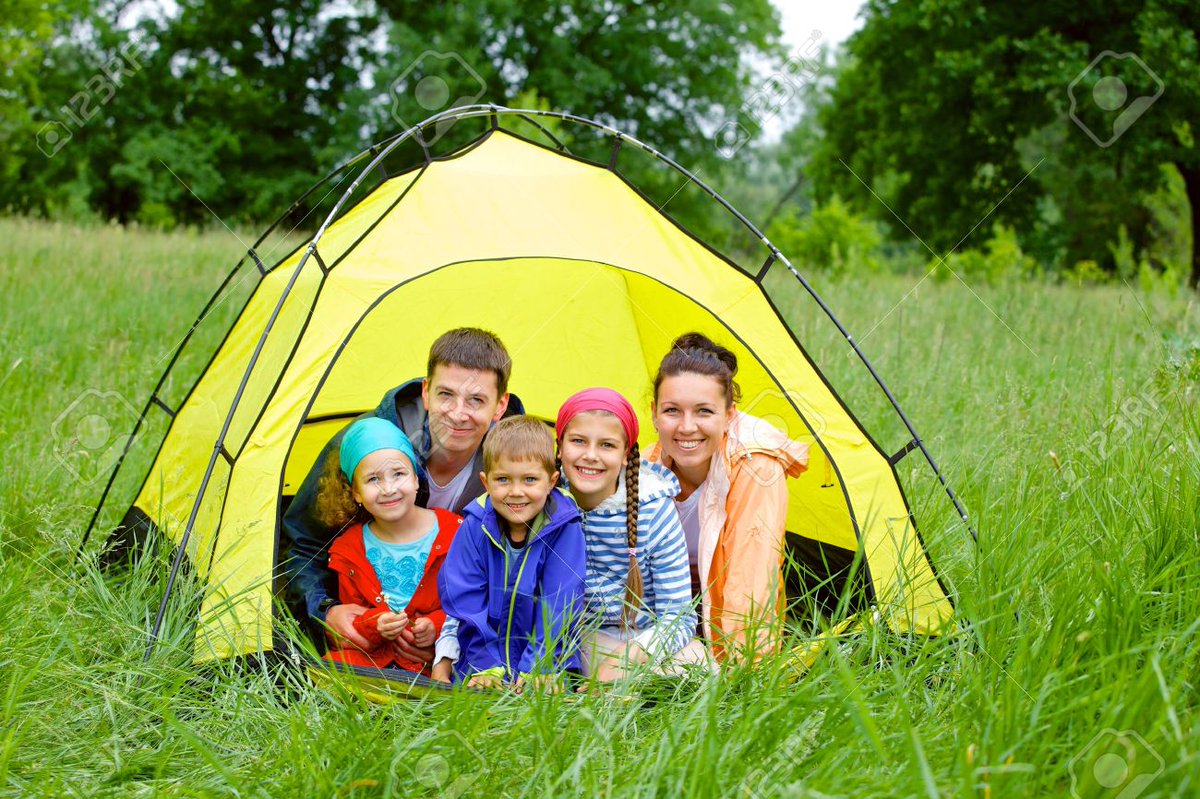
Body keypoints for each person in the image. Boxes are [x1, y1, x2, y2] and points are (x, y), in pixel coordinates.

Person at [282, 328, 523, 660]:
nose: (457, 413)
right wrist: (324, 611)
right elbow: (304, 545)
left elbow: (522, 572)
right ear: (425, 392)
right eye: (446, 395)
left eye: (476, 400)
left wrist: (454, 640)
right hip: (367, 637)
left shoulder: (517, 467)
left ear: (500, 406)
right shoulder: (362, 446)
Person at [648, 333, 809, 663]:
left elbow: (750, 577)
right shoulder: (648, 468)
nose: (686, 427)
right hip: (665, 622)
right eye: (672, 411)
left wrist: (745, 673)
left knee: (688, 670)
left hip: (721, 632)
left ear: (729, 416)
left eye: (704, 411)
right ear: (654, 414)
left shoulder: (756, 467)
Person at [555, 388, 706, 682]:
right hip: (583, 634)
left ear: (625, 454)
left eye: (607, 445)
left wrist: (633, 656)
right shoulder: (545, 499)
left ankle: (629, 681)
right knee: (605, 666)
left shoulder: (653, 510)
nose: (590, 456)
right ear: (560, 446)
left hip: (649, 637)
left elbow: (679, 616)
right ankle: (616, 686)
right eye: (578, 441)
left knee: (700, 669)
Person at [434, 416, 587, 691]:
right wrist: (485, 666)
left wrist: (539, 665)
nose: (516, 492)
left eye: (530, 479)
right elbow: (466, 601)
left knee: (543, 714)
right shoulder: (474, 525)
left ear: (552, 481)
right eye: (503, 479)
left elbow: (559, 603)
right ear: (486, 481)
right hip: (480, 657)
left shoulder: (565, 528)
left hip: (549, 659)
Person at [317, 418, 461, 674]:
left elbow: (468, 601)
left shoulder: (456, 532)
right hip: (375, 661)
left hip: (436, 661)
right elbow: (352, 618)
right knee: (332, 668)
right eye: (373, 479)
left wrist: (435, 625)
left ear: (417, 479)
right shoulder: (349, 550)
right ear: (356, 493)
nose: (388, 488)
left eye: (398, 473)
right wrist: (376, 624)